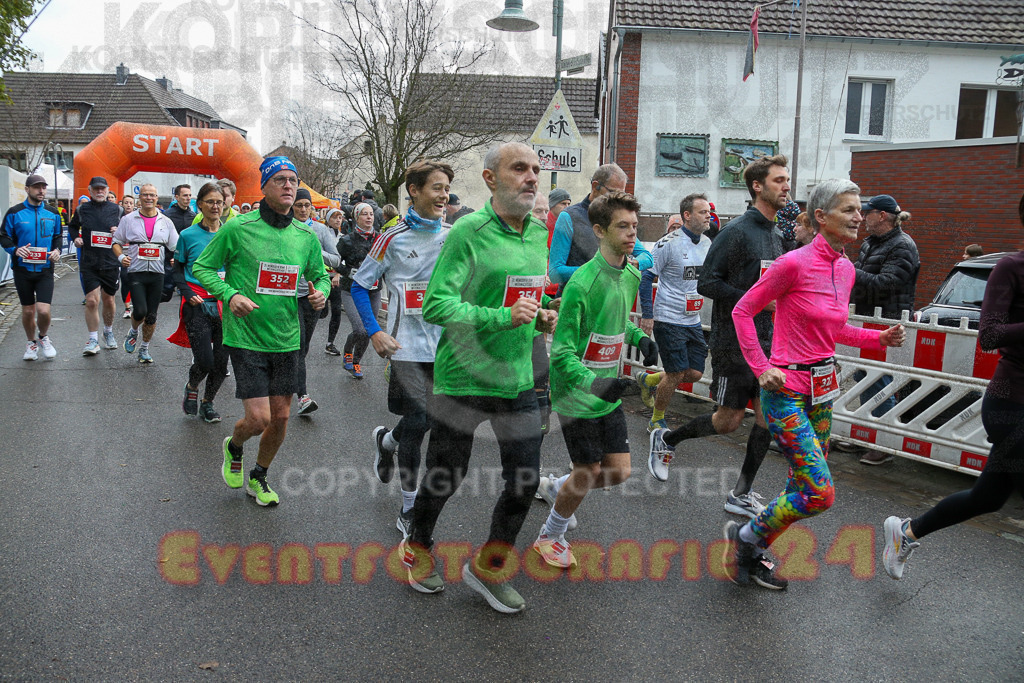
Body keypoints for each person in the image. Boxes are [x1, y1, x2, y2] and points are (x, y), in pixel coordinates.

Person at [725, 178, 905, 589]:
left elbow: (835, 329)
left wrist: (877, 338)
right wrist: (760, 367)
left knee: (798, 488)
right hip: (784, 391)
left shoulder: (845, 268)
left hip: (821, 392)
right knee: (820, 493)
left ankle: (749, 553)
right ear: (821, 217)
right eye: (849, 209)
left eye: (860, 209)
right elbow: (742, 311)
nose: (859, 216)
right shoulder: (793, 264)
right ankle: (747, 539)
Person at [400, 142, 557, 613]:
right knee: (447, 474)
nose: (531, 178)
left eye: (535, 170)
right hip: (465, 374)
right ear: (491, 179)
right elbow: (436, 305)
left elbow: (524, 296)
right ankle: (419, 543)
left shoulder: (537, 232)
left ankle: (488, 568)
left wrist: (540, 317)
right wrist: (502, 317)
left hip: (519, 374)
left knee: (524, 481)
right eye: (519, 169)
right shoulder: (468, 231)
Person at [882, 197, 1024, 580]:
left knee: (988, 498)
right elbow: (990, 334)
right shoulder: (1011, 267)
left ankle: (907, 532)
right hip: (1012, 406)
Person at [647, 155, 789, 518]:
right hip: (734, 342)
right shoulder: (737, 232)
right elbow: (709, 282)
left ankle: (741, 493)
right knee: (727, 421)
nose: (787, 186)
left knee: (766, 419)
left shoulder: (776, 234)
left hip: (768, 342)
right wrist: (756, 301)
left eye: (787, 179)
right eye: (779, 180)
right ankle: (667, 439)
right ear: (757, 186)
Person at [192, 156, 330, 506]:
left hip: (286, 336)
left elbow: (322, 274)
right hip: (246, 335)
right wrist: (230, 293)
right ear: (264, 186)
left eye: (293, 180)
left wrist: (321, 293)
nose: (289, 186)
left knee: (281, 417)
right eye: (281, 179)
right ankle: (234, 445)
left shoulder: (305, 235)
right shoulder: (239, 227)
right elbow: (202, 267)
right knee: (259, 418)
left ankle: (259, 476)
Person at [534, 191, 658, 568]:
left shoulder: (632, 272)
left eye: (635, 226)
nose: (632, 234)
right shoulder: (582, 284)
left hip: (608, 391)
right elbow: (563, 351)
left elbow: (615, 319)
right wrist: (593, 382)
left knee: (618, 472)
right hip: (577, 393)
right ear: (600, 230)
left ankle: (558, 487)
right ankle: (550, 535)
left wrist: (639, 338)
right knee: (587, 471)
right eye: (623, 226)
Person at [351, 159, 454, 536]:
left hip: (443, 347)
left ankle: (386, 440)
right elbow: (361, 285)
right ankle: (409, 507)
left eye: (446, 189)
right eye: (436, 188)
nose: (444, 196)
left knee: (425, 423)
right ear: (414, 190)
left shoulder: (454, 235)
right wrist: (375, 332)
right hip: (404, 346)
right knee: (420, 423)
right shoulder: (391, 237)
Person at [636, 193, 712, 446]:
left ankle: (648, 380)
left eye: (709, 211)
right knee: (676, 371)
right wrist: (648, 314)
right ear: (687, 216)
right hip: (668, 317)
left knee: (695, 373)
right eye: (702, 212)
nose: (708, 215)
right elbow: (646, 278)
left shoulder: (707, 243)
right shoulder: (667, 243)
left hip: (692, 319)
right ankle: (656, 419)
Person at [850, 194, 919, 461]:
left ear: (881, 216)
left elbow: (888, 282)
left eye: (867, 213)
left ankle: (883, 443)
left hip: (886, 321)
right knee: (862, 378)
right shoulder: (872, 242)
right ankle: (866, 435)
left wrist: (849, 271)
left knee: (878, 380)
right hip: (868, 319)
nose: (861, 217)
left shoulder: (902, 245)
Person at [170, 181, 230, 423]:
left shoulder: (231, 233)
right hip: (197, 304)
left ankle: (208, 403)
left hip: (225, 304)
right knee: (205, 360)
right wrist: (186, 293)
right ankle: (192, 385)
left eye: (219, 202)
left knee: (221, 362)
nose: (215, 206)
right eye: (210, 202)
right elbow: (177, 270)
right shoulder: (188, 235)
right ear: (200, 205)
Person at [548, 163, 653, 287]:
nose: (617, 200)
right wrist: (601, 270)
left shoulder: (617, 218)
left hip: (610, 298)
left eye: (621, 194)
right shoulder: (569, 217)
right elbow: (555, 272)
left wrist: (633, 263)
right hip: (577, 297)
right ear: (595, 186)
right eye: (613, 192)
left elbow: (647, 257)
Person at [112, 184, 178, 364]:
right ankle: (133, 331)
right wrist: (120, 258)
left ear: (157, 198)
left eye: (152, 195)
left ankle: (144, 349)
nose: (149, 198)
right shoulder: (128, 219)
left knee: (152, 316)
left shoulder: (166, 221)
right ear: (139, 198)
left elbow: (175, 246)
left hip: (157, 273)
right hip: (136, 272)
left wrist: (176, 259)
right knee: (140, 311)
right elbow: (116, 242)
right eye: (145, 195)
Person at [0, 174, 63, 361]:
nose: (41, 190)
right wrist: (15, 250)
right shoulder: (14, 212)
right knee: (28, 310)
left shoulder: (52, 213)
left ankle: (43, 337)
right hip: (22, 270)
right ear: (27, 189)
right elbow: (3, 236)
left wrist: (57, 250)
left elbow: (58, 237)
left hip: (44, 269)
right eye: (37, 187)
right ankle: (31, 343)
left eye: (43, 187)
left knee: (43, 310)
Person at [291, 188, 341, 415]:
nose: (303, 209)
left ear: (312, 208)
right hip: (288, 296)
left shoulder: (320, 230)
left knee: (304, 347)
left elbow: (336, 259)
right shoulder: (285, 228)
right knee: (298, 343)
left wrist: (314, 251)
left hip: (311, 296)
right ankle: (302, 395)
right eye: (298, 205)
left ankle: (294, 381)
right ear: (292, 207)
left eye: (306, 206)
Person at [68, 176, 122, 355]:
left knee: (109, 300)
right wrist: (75, 237)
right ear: (90, 190)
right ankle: (92, 339)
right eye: (96, 189)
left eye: (103, 189)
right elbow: (73, 227)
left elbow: (127, 232)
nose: (100, 192)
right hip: (89, 262)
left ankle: (108, 331)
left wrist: (119, 231)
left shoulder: (118, 210)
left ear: (107, 190)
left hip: (110, 262)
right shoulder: (82, 209)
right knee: (91, 301)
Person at [336, 202, 381, 378]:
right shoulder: (346, 241)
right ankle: (348, 351)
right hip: (351, 290)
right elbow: (333, 261)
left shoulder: (380, 238)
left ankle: (356, 362)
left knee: (370, 330)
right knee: (360, 329)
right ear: (356, 218)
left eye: (371, 214)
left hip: (374, 290)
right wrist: (348, 271)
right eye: (364, 214)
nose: (369, 217)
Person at [323, 207, 346, 356]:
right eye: (334, 217)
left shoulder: (344, 237)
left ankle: (330, 343)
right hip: (322, 278)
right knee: (321, 312)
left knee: (336, 311)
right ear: (328, 219)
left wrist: (338, 273)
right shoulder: (322, 234)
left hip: (336, 278)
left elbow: (344, 259)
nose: (338, 220)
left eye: (340, 217)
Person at [118, 195, 136, 318]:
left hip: (136, 255)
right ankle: (127, 307)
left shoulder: (137, 219)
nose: (128, 205)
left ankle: (135, 303)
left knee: (136, 281)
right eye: (126, 203)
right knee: (125, 279)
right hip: (123, 254)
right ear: (122, 204)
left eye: (130, 203)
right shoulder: (118, 219)